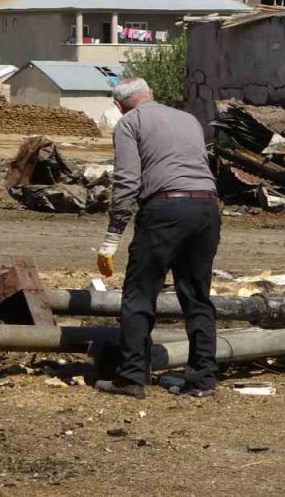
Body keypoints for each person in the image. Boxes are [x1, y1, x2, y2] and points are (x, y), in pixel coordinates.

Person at [93, 77, 221, 399]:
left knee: (139, 293)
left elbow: (126, 182)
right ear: (151, 94)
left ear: (119, 106)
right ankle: (203, 378)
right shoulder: (189, 119)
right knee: (196, 295)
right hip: (207, 207)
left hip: (165, 208)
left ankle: (132, 377)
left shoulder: (128, 124)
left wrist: (112, 236)